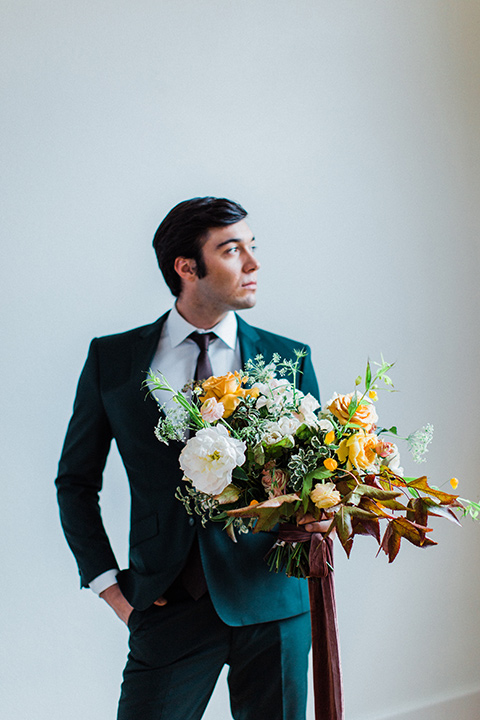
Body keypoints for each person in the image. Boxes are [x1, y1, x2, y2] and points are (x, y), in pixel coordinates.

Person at [55, 197, 330, 720]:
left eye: (253, 247)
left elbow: (316, 474)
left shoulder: (289, 358)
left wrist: (318, 512)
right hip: (166, 605)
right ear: (187, 267)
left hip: (273, 605)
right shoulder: (112, 360)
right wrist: (111, 588)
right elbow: (75, 482)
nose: (252, 264)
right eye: (232, 250)